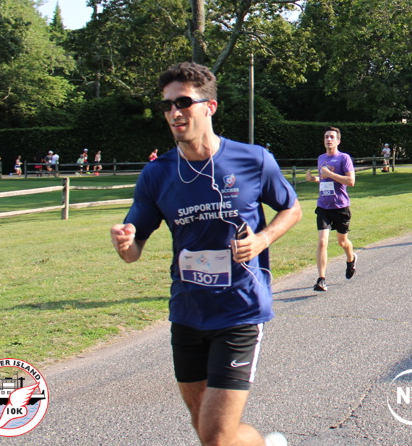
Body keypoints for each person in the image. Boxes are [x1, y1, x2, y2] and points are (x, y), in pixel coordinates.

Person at [110, 62, 301, 446]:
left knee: (215, 437)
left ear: (210, 106)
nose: (174, 112)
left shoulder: (253, 160)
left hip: (240, 310)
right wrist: (126, 243)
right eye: (167, 105)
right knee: (205, 429)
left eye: (183, 102)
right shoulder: (157, 174)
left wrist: (262, 240)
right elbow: (133, 251)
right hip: (187, 312)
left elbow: (291, 209)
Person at [306, 127, 357, 292]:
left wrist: (329, 174)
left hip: (340, 206)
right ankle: (321, 279)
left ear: (338, 141)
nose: (328, 139)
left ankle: (351, 259)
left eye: (332, 137)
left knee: (342, 242)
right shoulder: (321, 158)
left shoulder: (344, 158)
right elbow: (324, 180)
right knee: (322, 242)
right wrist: (314, 179)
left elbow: (351, 181)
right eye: (326, 137)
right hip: (323, 206)